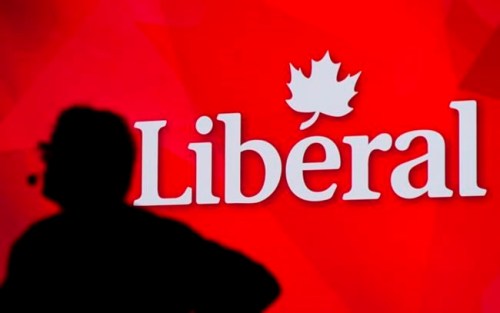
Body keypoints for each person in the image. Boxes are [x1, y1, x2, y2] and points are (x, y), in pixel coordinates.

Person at [1, 106, 280, 312]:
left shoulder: (43, 245)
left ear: (79, 165)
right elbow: (257, 285)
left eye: (53, 153)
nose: (46, 163)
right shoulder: (158, 239)